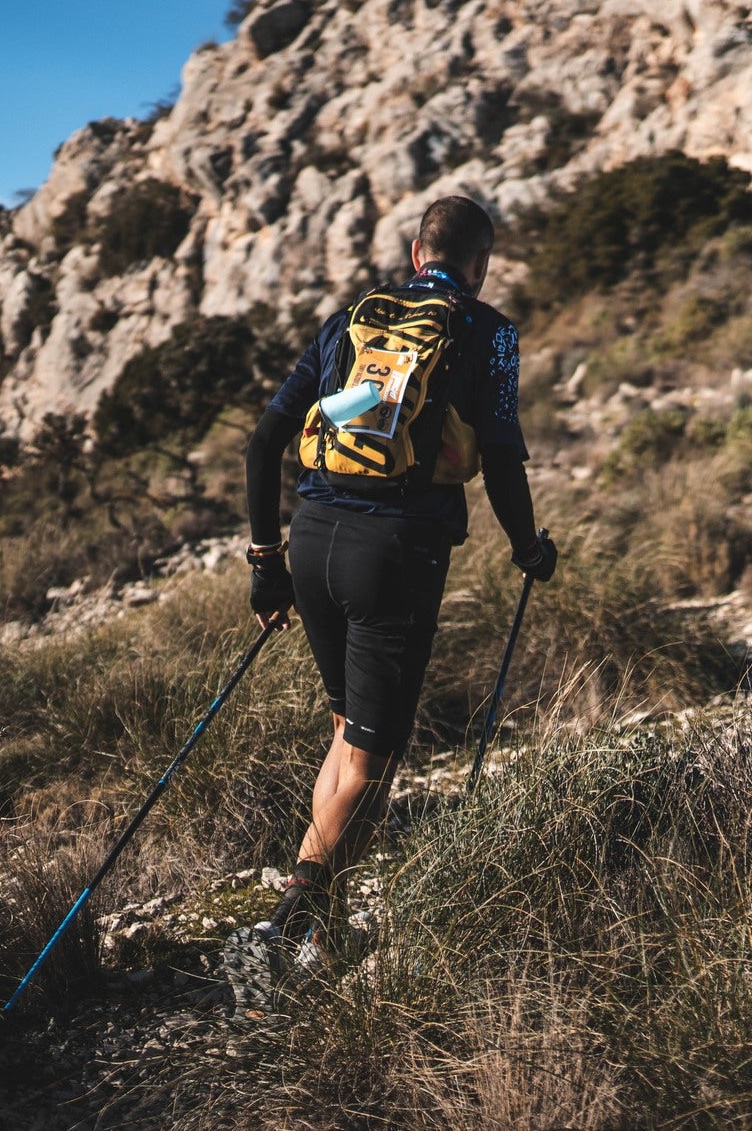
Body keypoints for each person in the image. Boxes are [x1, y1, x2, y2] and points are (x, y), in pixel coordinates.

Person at [240, 194, 556, 968]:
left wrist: (265, 564)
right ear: (477, 268)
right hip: (396, 556)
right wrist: (529, 546)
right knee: (375, 766)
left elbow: (263, 444)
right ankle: (285, 930)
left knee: (348, 731)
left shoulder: (348, 319)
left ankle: (323, 929)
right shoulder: (489, 333)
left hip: (312, 541)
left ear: (418, 254)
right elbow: (504, 457)